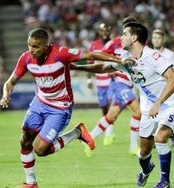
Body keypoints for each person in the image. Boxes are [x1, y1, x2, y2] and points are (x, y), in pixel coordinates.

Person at [0, 28, 127, 188]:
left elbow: (90, 54)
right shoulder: (26, 58)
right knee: (25, 141)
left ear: (46, 46)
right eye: (29, 45)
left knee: (40, 149)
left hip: (60, 108)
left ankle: (77, 133)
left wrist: (119, 60)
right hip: (39, 103)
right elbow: (10, 82)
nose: (31, 50)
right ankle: (31, 183)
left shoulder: (61, 53)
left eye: (36, 46)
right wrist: (6, 94)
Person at [71, 22, 174, 188]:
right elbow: (103, 67)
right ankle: (146, 170)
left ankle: (164, 181)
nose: (121, 37)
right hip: (149, 110)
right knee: (143, 153)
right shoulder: (126, 58)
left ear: (134, 37)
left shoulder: (152, 57)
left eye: (125, 34)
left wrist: (159, 102)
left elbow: (172, 78)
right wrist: (77, 67)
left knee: (161, 138)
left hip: (169, 104)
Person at [83, 17, 141, 157]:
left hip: (128, 84)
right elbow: (99, 54)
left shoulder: (138, 44)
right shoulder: (115, 42)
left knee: (110, 117)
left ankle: (89, 138)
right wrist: (110, 68)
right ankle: (133, 147)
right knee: (138, 112)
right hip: (119, 84)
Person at [86, 23, 114, 135]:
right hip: (100, 81)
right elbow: (90, 62)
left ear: (109, 32)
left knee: (112, 104)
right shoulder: (94, 45)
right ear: (100, 32)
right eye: (103, 30)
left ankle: (109, 133)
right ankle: (107, 127)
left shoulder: (114, 44)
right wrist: (89, 79)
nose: (105, 33)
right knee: (103, 106)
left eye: (107, 30)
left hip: (112, 80)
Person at [151, 28, 174, 147]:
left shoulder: (170, 55)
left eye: (159, 38)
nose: (156, 40)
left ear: (163, 40)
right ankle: (155, 138)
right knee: (152, 115)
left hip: (168, 91)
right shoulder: (148, 54)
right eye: (154, 38)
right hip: (154, 91)